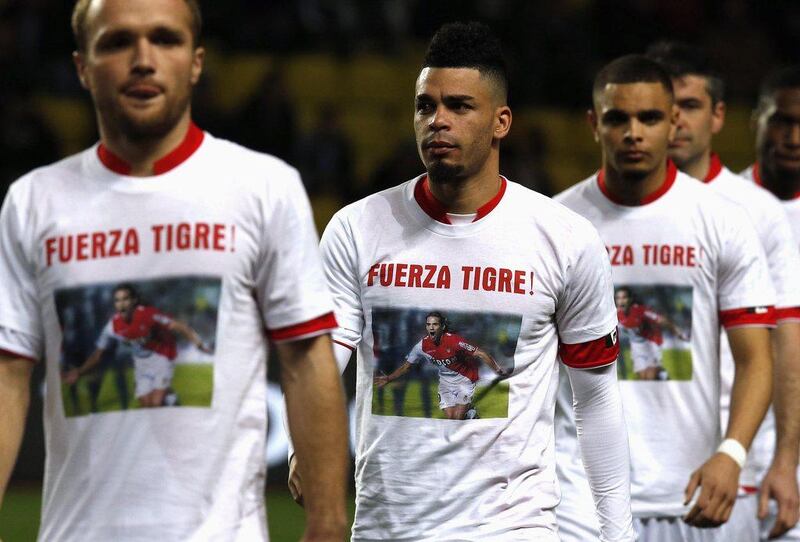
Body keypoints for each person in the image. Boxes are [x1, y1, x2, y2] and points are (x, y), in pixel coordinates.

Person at [0, 0, 349, 540]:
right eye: (117, 42)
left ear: (195, 62)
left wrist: (327, 522)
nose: (143, 59)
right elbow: (9, 377)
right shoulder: (33, 202)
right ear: (81, 67)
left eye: (165, 39)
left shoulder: (263, 188)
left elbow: (306, 357)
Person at [291, 21, 634, 541]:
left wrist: (618, 533)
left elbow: (596, 399)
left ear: (501, 122)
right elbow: (322, 358)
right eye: (425, 106)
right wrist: (303, 444)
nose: (437, 121)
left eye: (458, 106)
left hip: (512, 527)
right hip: (387, 526)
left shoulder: (564, 238)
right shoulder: (357, 227)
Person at [554, 54, 775, 542]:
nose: (633, 132)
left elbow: (757, 359)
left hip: (692, 493)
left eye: (649, 117)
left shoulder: (721, 221)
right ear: (594, 124)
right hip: (576, 503)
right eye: (617, 118)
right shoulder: (555, 225)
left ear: (672, 121)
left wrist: (732, 452)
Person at [647, 42, 800, 540]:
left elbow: (784, 342)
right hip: (640, 469)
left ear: (717, 115)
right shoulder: (606, 212)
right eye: (664, 110)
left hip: (740, 462)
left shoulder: (752, 213)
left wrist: (782, 460)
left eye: (688, 107)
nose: (675, 123)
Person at [742, 65, 800, 541]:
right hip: (745, 436)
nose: (794, 137)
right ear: (756, 120)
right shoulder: (722, 208)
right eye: (782, 121)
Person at [62, 283, 211, 408]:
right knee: (146, 405)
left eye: (125, 299)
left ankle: (171, 403)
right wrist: (79, 372)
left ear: (134, 301)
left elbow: (180, 326)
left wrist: (199, 344)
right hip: (141, 363)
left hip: (162, 356)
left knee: (156, 403)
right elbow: (97, 355)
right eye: (118, 300)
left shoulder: (148, 315)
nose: (121, 304)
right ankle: (171, 397)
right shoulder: (112, 326)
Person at [373, 311, 507, 420]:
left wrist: (497, 369)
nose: (431, 327)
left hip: (465, 378)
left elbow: (481, 353)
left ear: (442, 327)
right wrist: (388, 378)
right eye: (428, 324)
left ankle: (469, 425)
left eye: (435, 324)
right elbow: (406, 366)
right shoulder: (421, 346)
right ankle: (471, 414)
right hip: (445, 382)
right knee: (451, 419)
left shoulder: (454, 341)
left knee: (457, 419)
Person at [615, 285, 689, 380]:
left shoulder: (641, 310)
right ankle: (663, 376)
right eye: (618, 298)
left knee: (650, 377)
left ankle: (661, 376)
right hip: (636, 347)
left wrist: (678, 332)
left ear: (630, 299)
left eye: (624, 298)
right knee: (643, 378)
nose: (621, 301)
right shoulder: (616, 314)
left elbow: (662, 320)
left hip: (650, 344)